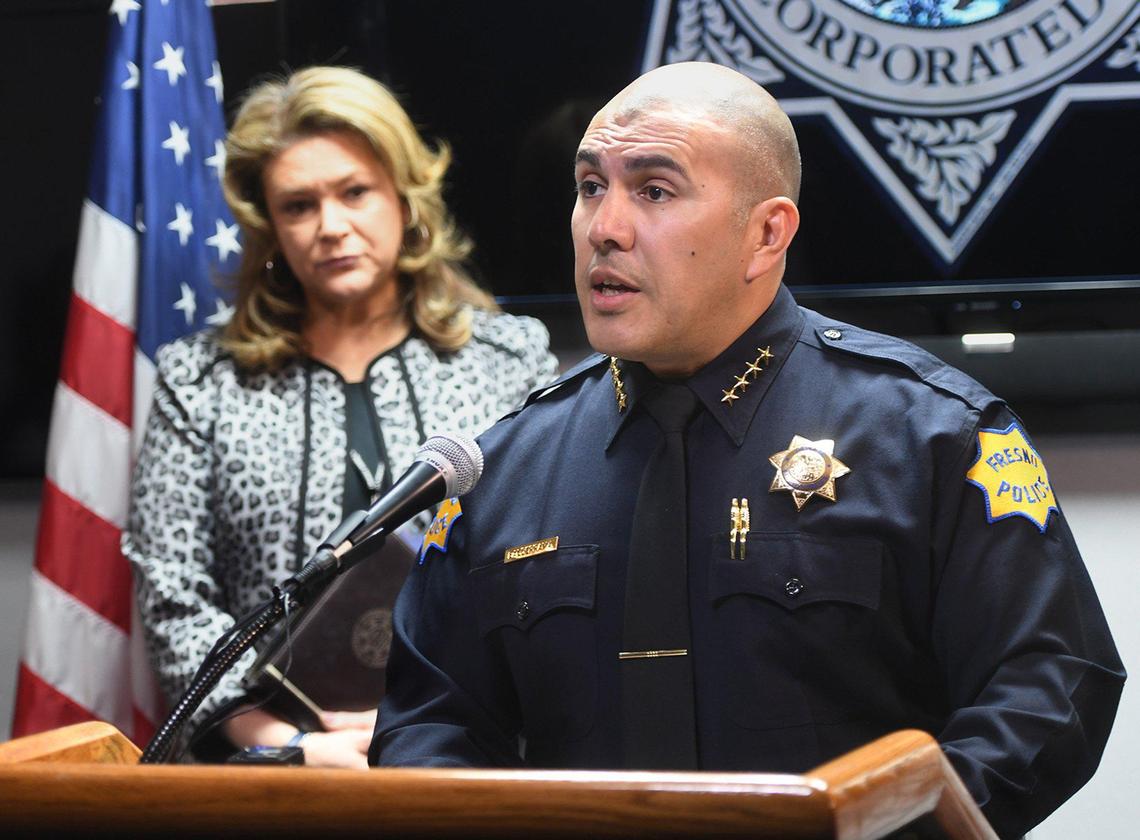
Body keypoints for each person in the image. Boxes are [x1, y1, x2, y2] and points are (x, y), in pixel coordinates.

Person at [371, 62, 1125, 838]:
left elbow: (1050, 690)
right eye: (591, 186)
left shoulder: (929, 432)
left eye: (654, 191)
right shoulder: (507, 466)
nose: (605, 227)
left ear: (767, 234)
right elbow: (428, 726)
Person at [123, 66, 558, 769]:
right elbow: (173, 594)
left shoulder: (510, 361)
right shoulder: (200, 382)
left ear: (404, 196)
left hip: (477, 755)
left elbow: (552, 564)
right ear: (270, 226)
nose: (331, 227)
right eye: (298, 205)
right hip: (269, 768)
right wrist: (287, 745)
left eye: (355, 192)